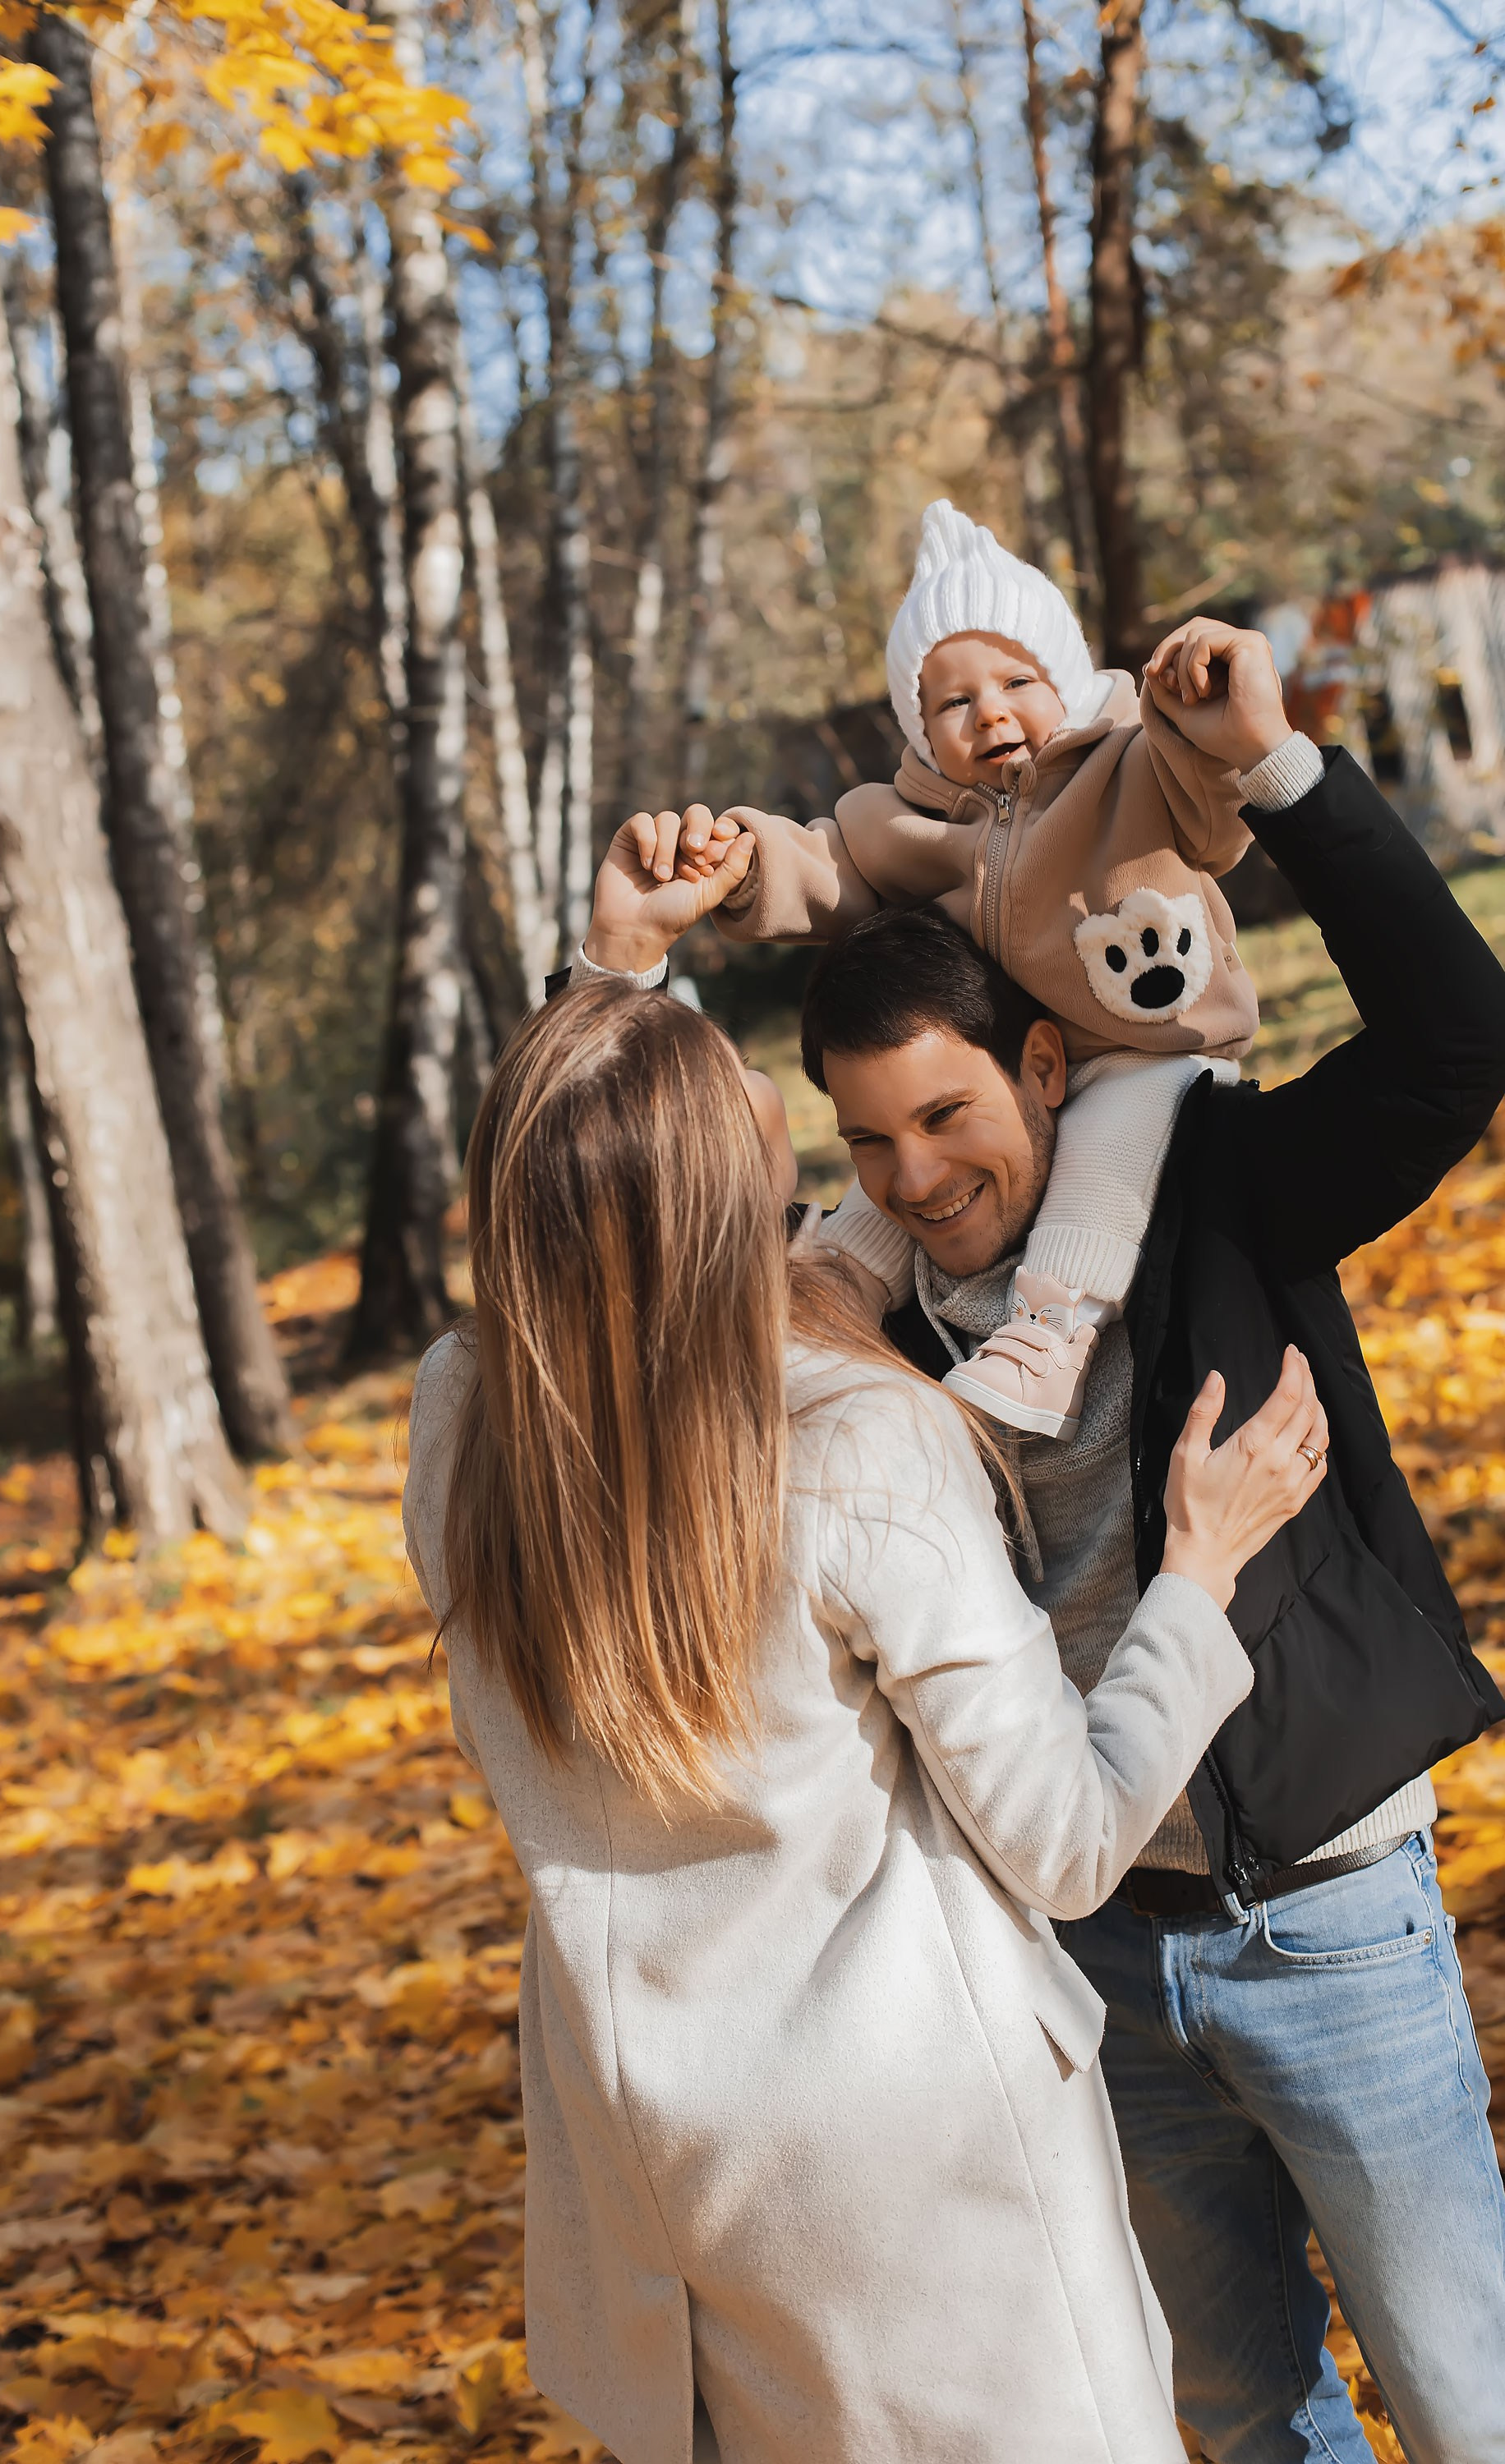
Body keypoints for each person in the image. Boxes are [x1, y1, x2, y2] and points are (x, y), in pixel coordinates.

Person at [601, 644, 1505, 2458]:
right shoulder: (851, 1324)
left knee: (1468, 2397)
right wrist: (622, 965)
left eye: (946, 1117)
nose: (919, 1174)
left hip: (1320, 1908)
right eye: (868, 1142)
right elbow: (603, 1251)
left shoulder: (1214, 1193)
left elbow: (1448, 1051)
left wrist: (1284, 779)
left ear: (1037, 1058)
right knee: (1246, 2422)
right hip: (1082, 1955)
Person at [403, 862, 1332, 2464]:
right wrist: (1196, 1573)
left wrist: (611, 968)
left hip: (659, 2195)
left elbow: (573, 1209)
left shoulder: (466, 1432)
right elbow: (1064, 1836)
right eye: (776, 1143)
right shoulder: (856, 1447)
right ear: (726, 1199)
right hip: (925, 2195)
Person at [695, 503, 1319, 1443]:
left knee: (1105, 1153)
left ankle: (1049, 1334)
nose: (988, 710)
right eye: (951, 702)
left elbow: (1213, 814)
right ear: (920, 730)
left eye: (1016, 681)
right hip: (1011, 1069)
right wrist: (745, 869)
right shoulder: (908, 822)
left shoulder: (1135, 767)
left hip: (1150, 1056)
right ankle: (822, 1306)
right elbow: (831, 868)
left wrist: (1215, 730)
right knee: (892, 1179)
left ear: (1065, 683)